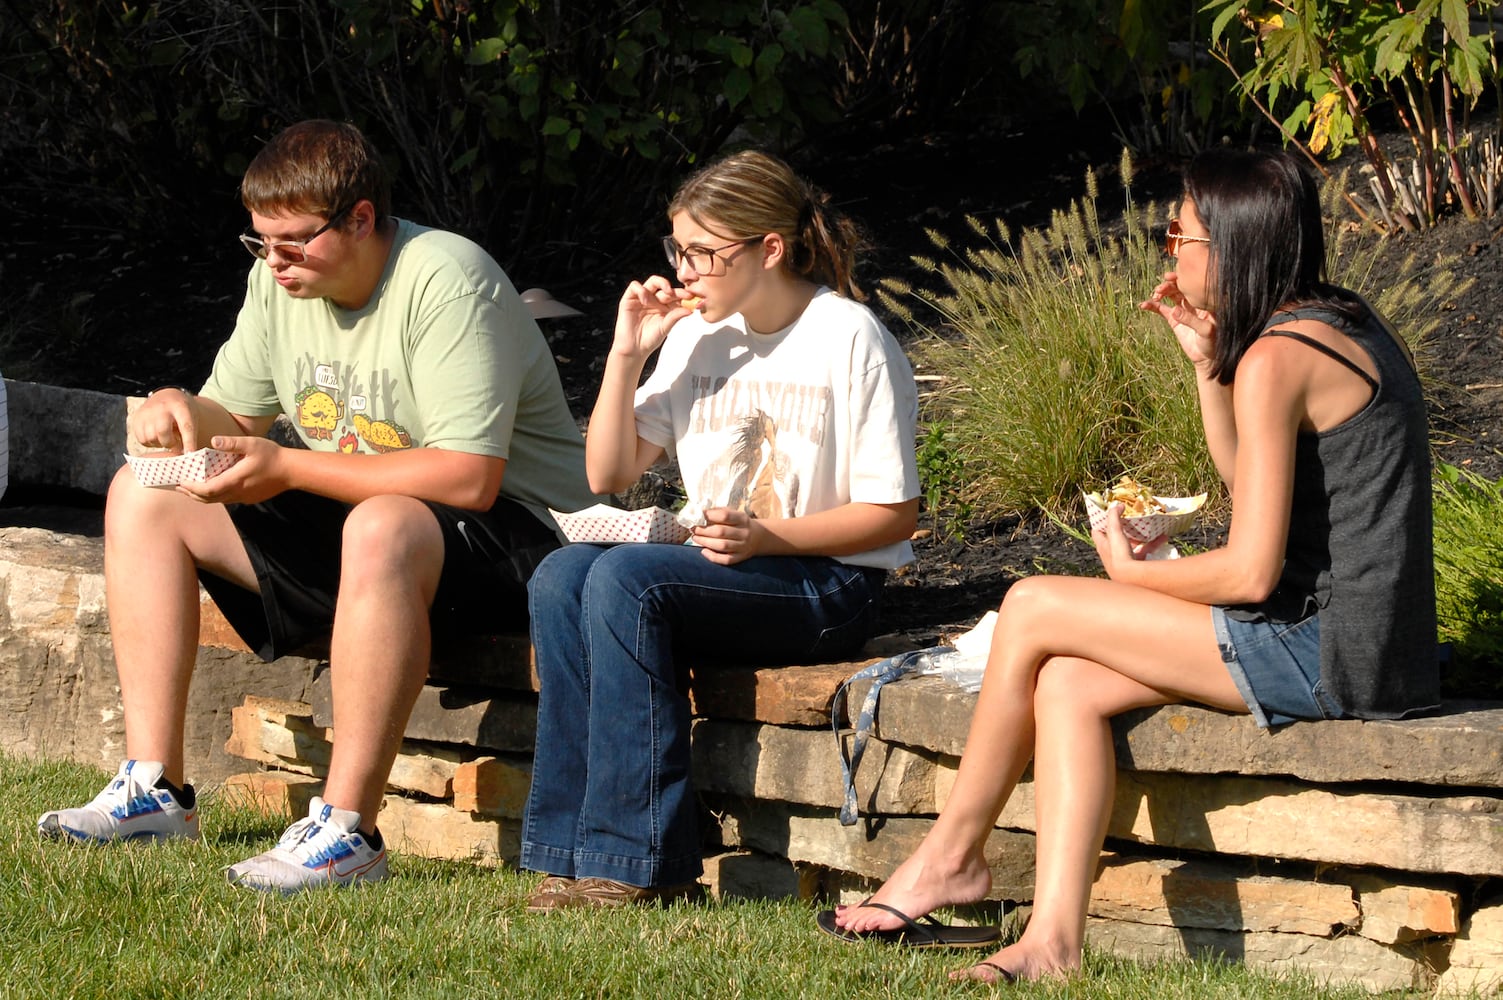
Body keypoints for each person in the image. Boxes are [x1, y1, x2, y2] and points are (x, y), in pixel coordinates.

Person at [819, 147, 1439, 981]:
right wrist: (1204, 366)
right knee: (1067, 682)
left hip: (1329, 649)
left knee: (1036, 603)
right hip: (1361, 640)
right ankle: (1050, 944)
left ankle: (948, 859)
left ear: (1227, 243)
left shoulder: (1279, 356)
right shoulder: (1331, 322)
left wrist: (1131, 576)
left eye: (1173, 234)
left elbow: (1250, 573)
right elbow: (1240, 482)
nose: (1166, 252)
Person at [36, 119, 598, 893]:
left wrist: (288, 466)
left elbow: (471, 478)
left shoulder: (446, 278)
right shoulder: (279, 281)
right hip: (382, 532)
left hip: (529, 544)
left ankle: (346, 832)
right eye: (260, 241)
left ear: (361, 218)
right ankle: (154, 789)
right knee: (146, 493)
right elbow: (235, 417)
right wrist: (177, 409)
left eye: (294, 241)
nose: (274, 261)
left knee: (382, 520)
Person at [519, 150, 922, 910]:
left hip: (824, 580)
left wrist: (768, 540)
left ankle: (635, 864)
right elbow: (607, 473)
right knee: (560, 573)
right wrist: (626, 353)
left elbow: (893, 514)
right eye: (677, 250)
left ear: (768, 248)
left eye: (702, 253)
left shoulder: (848, 336)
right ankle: (570, 853)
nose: (685, 270)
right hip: (721, 570)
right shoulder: (697, 334)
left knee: (623, 580)